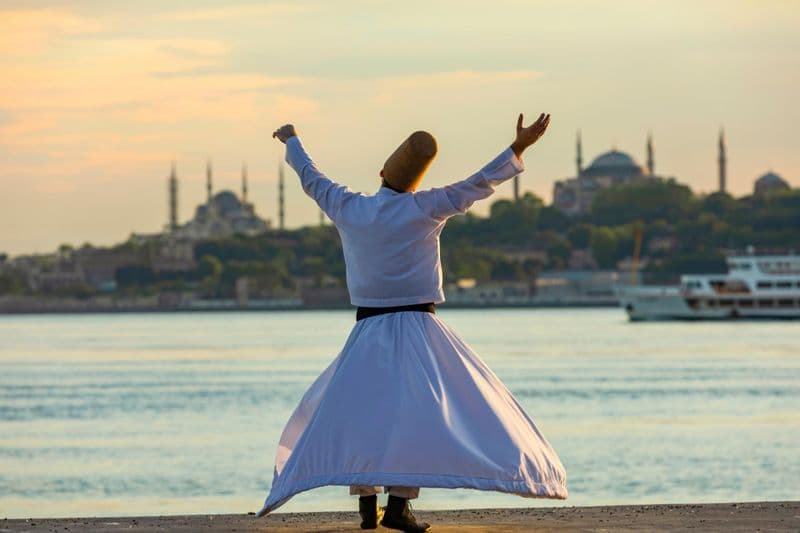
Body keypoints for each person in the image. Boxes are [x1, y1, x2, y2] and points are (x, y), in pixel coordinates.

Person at [258, 113, 567, 532]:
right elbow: (479, 182)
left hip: (369, 329)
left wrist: (292, 139)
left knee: (362, 411)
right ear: (416, 182)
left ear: (382, 173)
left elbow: (312, 178)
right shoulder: (426, 206)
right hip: (419, 328)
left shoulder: (350, 207)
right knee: (416, 417)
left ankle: (368, 504)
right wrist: (518, 148)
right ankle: (399, 506)